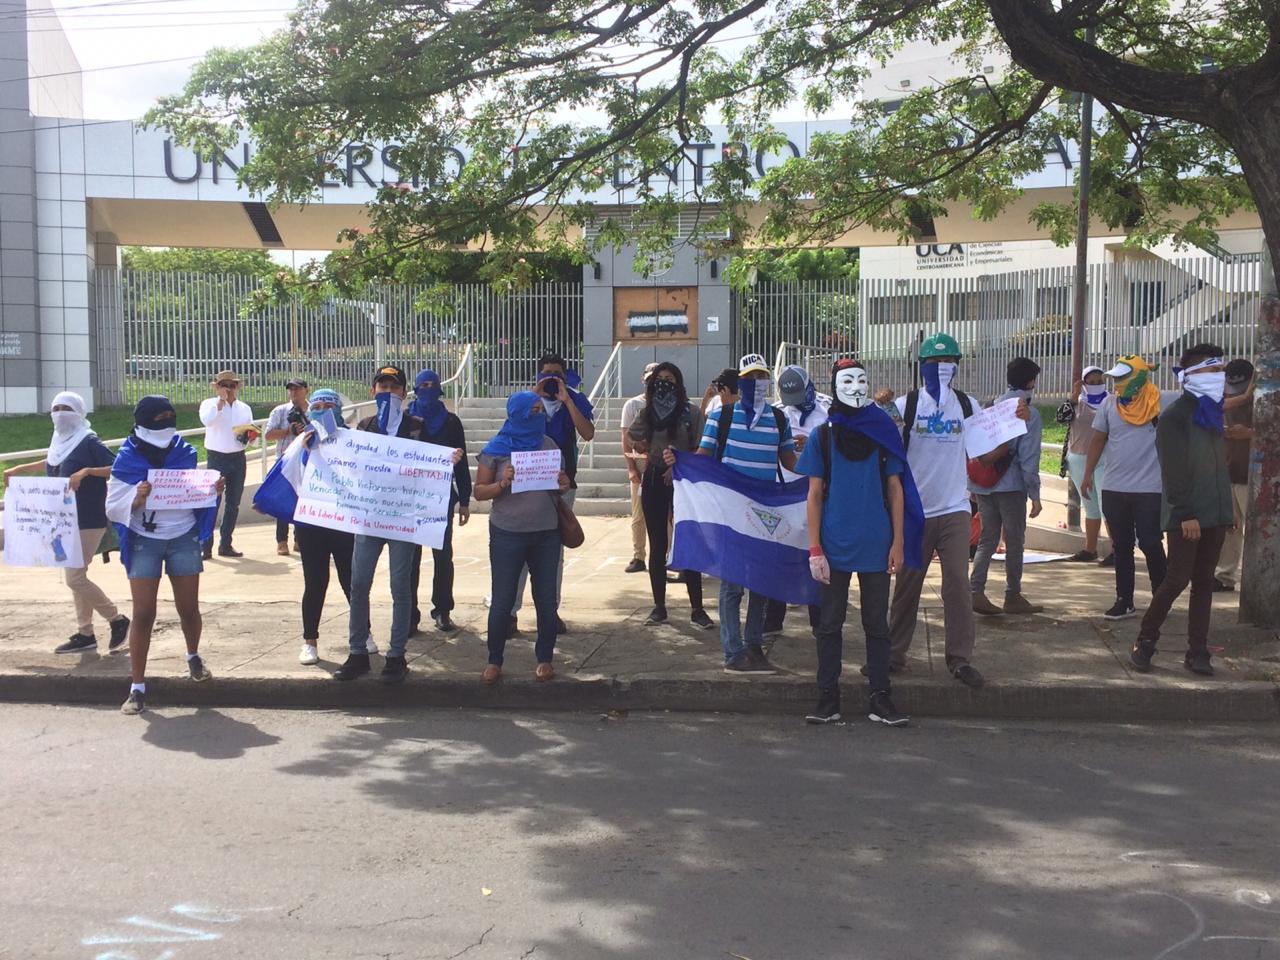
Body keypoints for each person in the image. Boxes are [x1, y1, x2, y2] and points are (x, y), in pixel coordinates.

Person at [800, 360, 924, 726]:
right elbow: (813, 495)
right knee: (829, 624)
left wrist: (898, 542)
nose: (855, 386)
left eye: (861, 380)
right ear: (835, 385)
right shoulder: (823, 435)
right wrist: (814, 549)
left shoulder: (881, 431)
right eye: (847, 380)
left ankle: (881, 698)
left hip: (876, 544)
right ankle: (827, 698)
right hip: (833, 545)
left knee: (877, 625)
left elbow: (896, 489)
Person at [888, 333, 1010, 688]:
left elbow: (983, 454)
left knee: (957, 584)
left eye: (950, 362)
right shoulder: (906, 406)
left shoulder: (967, 405)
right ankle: (894, 655)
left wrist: (1008, 431)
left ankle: (960, 659)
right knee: (907, 586)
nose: (943, 369)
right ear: (922, 367)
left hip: (956, 508)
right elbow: (888, 449)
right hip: (915, 511)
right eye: (936, 363)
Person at [331, 365, 463, 684]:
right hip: (370, 518)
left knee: (400, 587)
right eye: (382, 386)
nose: (388, 392)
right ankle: (358, 652)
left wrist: (447, 461)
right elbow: (346, 464)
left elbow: (431, 461)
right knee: (359, 584)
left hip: (403, 520)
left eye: (394, 387)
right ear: (372, 391)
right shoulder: (364, 426)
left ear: (404, 393)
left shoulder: (417, 427)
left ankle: (396, 655)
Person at [105, 396, 223, 715]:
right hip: (145, 539)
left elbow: (193, 491)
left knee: (189, 608)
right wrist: (134, 498)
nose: (165, 425)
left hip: (182, 536)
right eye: (158, 420)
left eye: (170, 419)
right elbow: (112, 504)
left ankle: (193, 656)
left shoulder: (184, 451)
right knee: (143, 613)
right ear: (142, 422)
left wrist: (213, 489)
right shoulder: (127, 458)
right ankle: (137, 687)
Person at [1131, 345, 1234, 676]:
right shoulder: (1175, 417)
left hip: (1215, 515)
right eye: (1210, 371)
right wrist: (1186, 512)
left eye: (1219, 371)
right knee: (1176, 579)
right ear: (1189, 376)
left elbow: (1217, 469)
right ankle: (1146, 640)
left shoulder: (1213, 414)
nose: (1218, 378)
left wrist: (1225, 512)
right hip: (1186, 516)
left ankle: (1198, 650)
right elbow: (1174, 471)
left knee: (1204, 583)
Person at [255, 388, 375, 666]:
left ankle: (364, 633)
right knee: (315, 582)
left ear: (337, 408)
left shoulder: (353, 441)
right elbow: (285, 473)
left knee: (352, 581)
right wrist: (268, 499)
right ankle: (309, 641)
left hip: (343, 523)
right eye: (316, 406)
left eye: (327, 405)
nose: (321, 410)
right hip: (311, 523)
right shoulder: (303, 441)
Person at [2, 392, 130, 655]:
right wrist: (20, 470)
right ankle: (85, 633)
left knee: (74, 577)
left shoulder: (88, 440)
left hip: (89, 518)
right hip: (63, 520)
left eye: (66, 408)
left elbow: (118, 467)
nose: (60, 413)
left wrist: (87, 472)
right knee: (76, 575)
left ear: (79, 412)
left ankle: (117, 619)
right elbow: (52, 462)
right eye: (56, 408)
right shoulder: (59, 441)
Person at [697, 353, 798, 674]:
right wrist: (679, 463)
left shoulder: (779, 420)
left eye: (761, 378)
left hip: (763, 513)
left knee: (761, 584)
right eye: (750, 378)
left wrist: (819, 470)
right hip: (730, 513)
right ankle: (733, 652)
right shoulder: (721, 417)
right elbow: (703, 456)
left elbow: (789, 462)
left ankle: (754, 647)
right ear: (740, 383)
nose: (756, 384)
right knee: (732, 586)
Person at [475, 391, 571, 683]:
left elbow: (559, 484)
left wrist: (563, 484)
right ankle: (494, 660)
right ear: (517, 414)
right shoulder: (496, 449)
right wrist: (503, 483)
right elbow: (479, 491)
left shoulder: (549, 445)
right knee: (503, 600)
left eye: (541, 410)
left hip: (546, 533)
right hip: (507, 533)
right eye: (533, 411)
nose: (538, 416)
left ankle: (545, 658)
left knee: (545, 599)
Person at [1081, 354, 1174, 620]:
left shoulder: (1161, 401)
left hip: (1149, 488)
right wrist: (1088, 473)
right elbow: (1098, 440)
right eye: (1116, 378)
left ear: (1140, 376)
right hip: (1114, 487)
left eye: (1123, 377)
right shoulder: (1110, 404)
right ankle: (1124, 600)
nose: (1117, 383)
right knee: (1121, 546)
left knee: (1150, 542)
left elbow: (1192, 408)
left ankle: (1161, 596)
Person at [508, 352, 594, 636]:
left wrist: (567, 400)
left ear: (565, 375)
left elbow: (588, 433)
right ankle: (509, 613)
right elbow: (510, 430)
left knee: (553, 554)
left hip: (561, 485)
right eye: (546, 373)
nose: (551, 379)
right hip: (526, 484)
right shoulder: (527, 401)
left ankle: (550, 612)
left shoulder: (574, 399)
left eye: (556, 373)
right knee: (518, 551)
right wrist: (535, 396)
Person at [634, 362, 713, 629]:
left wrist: (679, 465)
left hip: (684, 483)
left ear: (679, 383)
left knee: (688, 542)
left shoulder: (690, 412)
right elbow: (634, 438)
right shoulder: (648, 413)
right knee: (658, 546)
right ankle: (659, 607)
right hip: (655, 479)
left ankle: (697, 609)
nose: (665, 383)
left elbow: (702, 447)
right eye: (660, 379)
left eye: (670, 379)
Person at [969, 357, 1045, 616]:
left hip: (985, 483)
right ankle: (1012, 595)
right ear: (1032, 381)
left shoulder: (991, 405)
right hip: (1012, 485)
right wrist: (1035, 494)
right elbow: (1029, 457)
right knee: (1014, 541)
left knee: (987, 539)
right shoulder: (1028, 412)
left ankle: (975, 590)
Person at [763, 364, 831, 636]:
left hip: (818, 491)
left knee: (817, 554)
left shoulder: (828, 408)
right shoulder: (776, 412)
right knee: (781, 557)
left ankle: (819, 619)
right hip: (785, 493)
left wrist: (812, 443)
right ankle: (773, 619)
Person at [407, 368, 471, 634]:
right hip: (409, 499)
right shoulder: (405, 420)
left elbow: (461, 460)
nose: (428, 390)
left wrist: (465, 499)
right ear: (416, 388)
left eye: (433, 385)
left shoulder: (451, 421)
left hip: (441, 497)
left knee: (443, 556)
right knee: (409, 559)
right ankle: (408, 614)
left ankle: (442, 610)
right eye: (424, 385)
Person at [198, 369, 255, 559]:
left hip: (238, 457)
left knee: (233, 503)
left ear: (237, 387)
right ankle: (206, 546)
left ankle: (226, 544)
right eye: (224, 385)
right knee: (212, 502)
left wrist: (250, 437)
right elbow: (207, 421)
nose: (229, 389)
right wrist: (220, 403)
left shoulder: (244, 408)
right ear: (217, 387)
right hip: (217, 457)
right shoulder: (209, 404)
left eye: (232, 386)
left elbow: (251, 432)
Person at [1056, 366, 1110, 563]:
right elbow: (1060, 418)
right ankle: (1090, 548)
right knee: (1090, 505)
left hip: (1105, 458)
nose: (1096, 385)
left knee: (1107, 505)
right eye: (1092, 382)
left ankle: (1116, 550)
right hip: (1078, 458)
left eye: (1099, 381)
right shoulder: (1076, 403)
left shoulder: (1111, 401)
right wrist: (1073, 397)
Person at [1214, 359, 1255, 592]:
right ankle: (1224, 576)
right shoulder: (1222, 396)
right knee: (1229, 529)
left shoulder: (1269, 399)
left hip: (1254, 476)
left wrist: (1250, 433)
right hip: (1230, 470)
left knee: (1258, 529)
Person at [620, 362, 658, 574]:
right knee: (638, 513)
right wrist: (632, 468)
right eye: (649, 377)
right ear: (643, 379)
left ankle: (666, 555)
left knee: (666, 515)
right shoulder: (632, 405)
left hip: (662, 464)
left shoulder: (673, 403)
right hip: (641, 463)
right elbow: (625, 437)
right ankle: (639, 556)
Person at [263, 378, 309, 556]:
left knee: (302, 500)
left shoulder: (314, 410)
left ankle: (299, 539)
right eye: (290, 389)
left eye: (297, 389)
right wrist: (288, 431)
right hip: (284, 460)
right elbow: (268, 434)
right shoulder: (280, 411)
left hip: (306, 461)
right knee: (283, 500)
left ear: (306, 390)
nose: (293, 392)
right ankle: (281, 541)